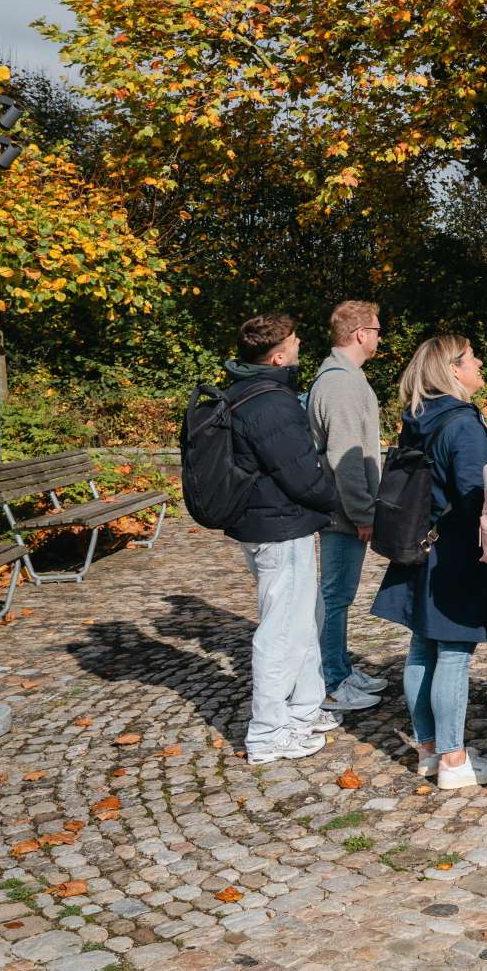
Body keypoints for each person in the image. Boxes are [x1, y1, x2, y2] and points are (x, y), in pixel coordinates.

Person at [371, 334, 487, 791]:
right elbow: (475, 495)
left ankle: (428, 750)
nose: (479, 362)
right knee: (452, 652)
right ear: (453, 368)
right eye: (471, 357)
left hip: (421, 544)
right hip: (454, 553)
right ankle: (453, 759)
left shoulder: (419, 417)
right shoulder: (461, 424)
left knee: (422, 647)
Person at [222, 313, 344, 765]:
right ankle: (268, 733)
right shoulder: (272, 403)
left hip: (269, 522)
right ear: (277, 356)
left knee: (305, 616)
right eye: (293, 341)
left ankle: (303, 709)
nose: (298, 345)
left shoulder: (243, 390)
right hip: (279, 526)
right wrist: (333, 499)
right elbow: (300, 474)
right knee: (282, 628)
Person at [306, 300, 389, 715]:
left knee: (339, 595)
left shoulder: (346, 377)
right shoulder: (340, 384)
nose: (379, 338)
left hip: (346, 510)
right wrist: (363, 513)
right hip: (342, 513)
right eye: (376, 330)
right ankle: (331, 681)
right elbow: (345, 457)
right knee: (335, 596)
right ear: (360, 334)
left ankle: (339, 667)